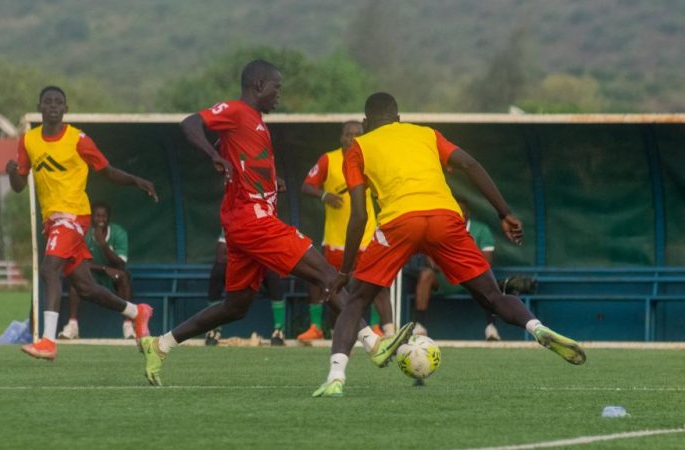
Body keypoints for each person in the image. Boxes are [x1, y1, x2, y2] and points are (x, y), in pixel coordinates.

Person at [140, 60, 412, 386]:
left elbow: (238, 154)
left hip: (246, 223)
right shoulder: (238, 111)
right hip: (253, 221)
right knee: (326, 274)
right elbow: (190, 123)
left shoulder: (253, 122)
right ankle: (374, 344)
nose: (279, 94)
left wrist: (270, 179)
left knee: (235, 306)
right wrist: (213, 157)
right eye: (276, 87)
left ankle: (159, 345)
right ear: (258, 86)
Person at [316, 92, 586, 397]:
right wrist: (504, 212)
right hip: (446, 218)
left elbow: (360, 214)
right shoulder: (426, 134)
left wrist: (346, 269)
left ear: (365, 124)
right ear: (399, 119)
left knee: (355, 302)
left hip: (400, 222)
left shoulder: (358, 148)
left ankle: (336, 377)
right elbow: (470, 164)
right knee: (492, 297)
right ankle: (536, 328)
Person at [5, 85, 158, 361]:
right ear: (40, 107)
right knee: (86, 288)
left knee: (49, 269)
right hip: (51, 220)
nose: (52, 106)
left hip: (74, 216)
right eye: (47, 101)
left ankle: (48, 341)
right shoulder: (28, 140)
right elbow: (18, 185)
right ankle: (137, 313)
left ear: (65, 109)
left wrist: (136, 180)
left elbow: (107, 170)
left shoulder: (78, 139)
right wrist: (11, 172)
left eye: (58, 102)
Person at [300, 121, 394, 341]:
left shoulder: (371, 159)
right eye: (348, 134)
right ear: (341, 137)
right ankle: (318, 327)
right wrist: (324, 195)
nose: (352, 138)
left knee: (375, 282)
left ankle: (379, 328)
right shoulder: (329, 159)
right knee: (326, 282)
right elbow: (306, 185)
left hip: (367, 235)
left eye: (357, 134)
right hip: (336, 238)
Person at [413, 197, 501, 340]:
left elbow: (486, 261)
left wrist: (459, 266)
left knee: (486, 279)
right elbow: (430, 258)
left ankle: (491, 329)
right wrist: (434, 262)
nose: (459, 214)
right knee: (426, 274)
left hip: (472, 279)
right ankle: (419, 325)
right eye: (456, 210)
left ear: (468, 213)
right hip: (446, 278)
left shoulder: (481, 230)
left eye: (463, 211)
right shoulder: (440, 228)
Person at [57, 201, 136, 340]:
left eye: (104, 216)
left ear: (109, 218)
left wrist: (103, 244)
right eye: (97, 216)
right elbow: (79, 262)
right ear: (92, 218)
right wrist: (104, 268)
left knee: (124, 276)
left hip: (112, 278)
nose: (101, 220)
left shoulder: (118, 232)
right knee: (76, 278)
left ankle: (128, 326)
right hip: (91, 276)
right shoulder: (85, 233)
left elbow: (121, 263)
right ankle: (72, 325)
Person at [204, 230, 287, 346]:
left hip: (258, 276)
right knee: (217, 272)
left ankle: (279, 330)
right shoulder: (233, 222)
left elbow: (270, 254)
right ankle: (214, 329)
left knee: (273, 272)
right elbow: (221, 256)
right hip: (237, 273)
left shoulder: (263, 221)